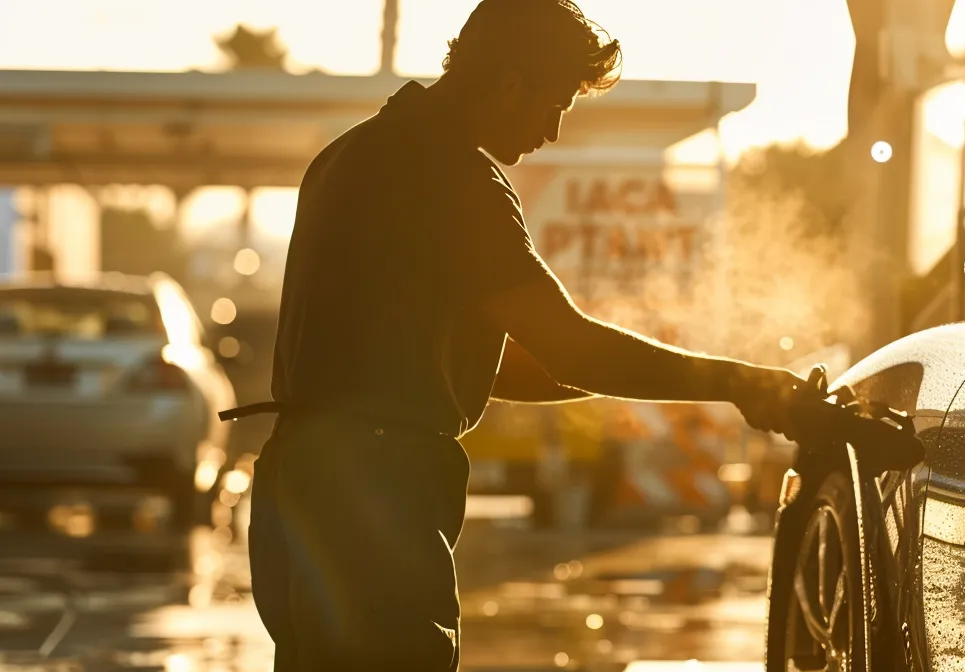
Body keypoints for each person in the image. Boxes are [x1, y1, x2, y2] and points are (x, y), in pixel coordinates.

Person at [224, 1, 812, 668]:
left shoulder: (350, 154)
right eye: (555, 103)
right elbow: (572, 346)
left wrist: (632, 391)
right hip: (374, 494)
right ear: (510, 82)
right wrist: (736, 381)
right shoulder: (453, 177)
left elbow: (484, 362)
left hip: (298, 480)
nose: (553, 131)